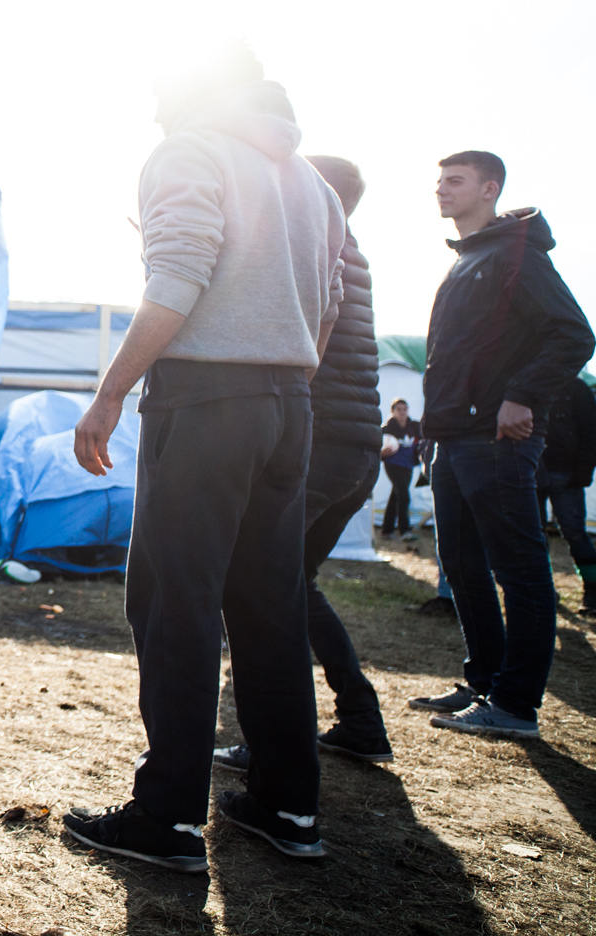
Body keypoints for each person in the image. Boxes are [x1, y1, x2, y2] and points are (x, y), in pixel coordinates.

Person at [65, 41, 344, 872]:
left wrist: (112, 389)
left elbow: (179, 280)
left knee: (175, 604)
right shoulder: (314, 182)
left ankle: (169, 818)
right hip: (290, 400)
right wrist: (280, 371)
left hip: (206, 400)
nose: (154, 109)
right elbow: (326, 306)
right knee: (270, 607)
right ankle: (289, 805)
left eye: (161, 93)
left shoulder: (188, 149)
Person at [212, 155, 392, 778]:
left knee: (264, 589)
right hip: (357, 448)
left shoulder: (310, 247)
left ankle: (274, 750)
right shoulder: (349, 252)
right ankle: (360, 719)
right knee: (293, 586)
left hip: (318, 445)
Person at [408, 151, 594, 740]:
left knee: (520, 569)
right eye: (438, 181)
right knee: (462, 567)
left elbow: (574, 335)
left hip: (496, 437)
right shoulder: (470, 259)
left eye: (455, 181)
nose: (441, 190)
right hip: (451, 438)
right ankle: (485, 681)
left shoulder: (517, 254)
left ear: (489, 189)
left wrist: (521, 395)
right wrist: (428, 432)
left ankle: (515, 705)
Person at [537, 379, 596, 615]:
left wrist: (583, 470)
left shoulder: (576, 388)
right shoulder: (527, 381)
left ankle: (592, 591)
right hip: (532, 470)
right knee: (534, 536)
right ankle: (544, 591)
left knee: (575, 534)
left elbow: (591, 429)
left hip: (566, 472)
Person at [380, 399, 422, 536]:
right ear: (393, 411)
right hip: (393, 465)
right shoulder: (387, 428)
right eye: (399, 409)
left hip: (408, 465)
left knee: (396, 495)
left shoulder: (414, 426)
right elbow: (379, 445)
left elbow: (422, 441)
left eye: (404, 409)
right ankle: (405, 530)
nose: (402, 412)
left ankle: (387, 530)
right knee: (404, 495)